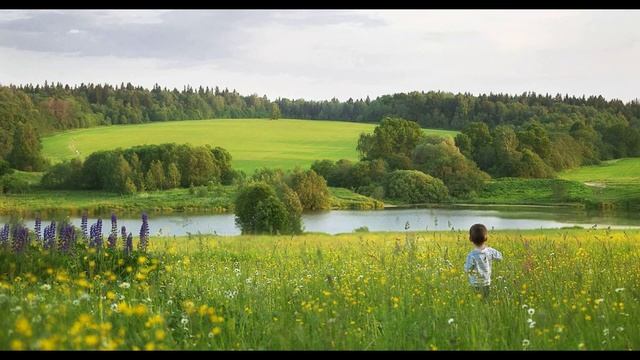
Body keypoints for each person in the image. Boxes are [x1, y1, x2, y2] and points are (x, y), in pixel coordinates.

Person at [464, 223, 502, 299]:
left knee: (476, 302)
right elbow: (500, 257)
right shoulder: (490, 251)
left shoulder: (471, 255)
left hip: (475, 284)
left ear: (470, 239)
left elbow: (467, 269)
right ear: (486, 238)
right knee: (485, 301)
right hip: (486, 282)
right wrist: (489, 249)